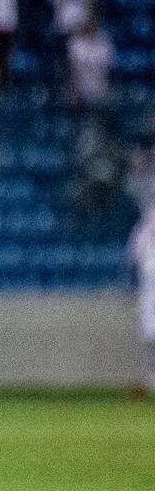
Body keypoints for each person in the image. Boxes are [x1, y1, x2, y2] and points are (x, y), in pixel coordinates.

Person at [126, 126, 155, 394]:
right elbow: (134, 253)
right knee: (150, 330)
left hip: (150, 278)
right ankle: (151, 378)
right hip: (150, 280)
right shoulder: (147, 219)